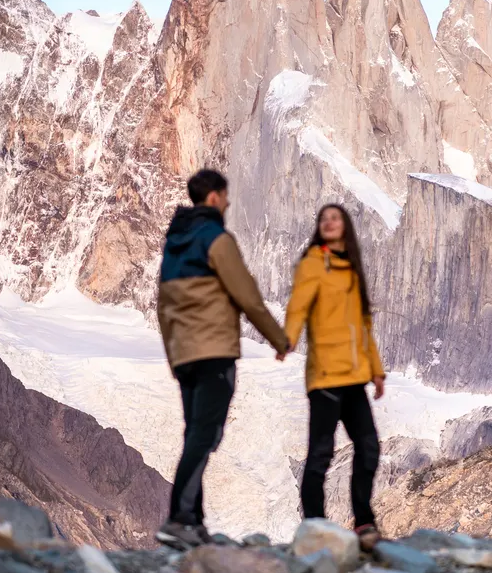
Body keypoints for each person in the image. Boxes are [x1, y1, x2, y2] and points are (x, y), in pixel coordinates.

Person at [156, 168, 289, 549]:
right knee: (205, 434)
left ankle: (193, 523)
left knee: (194, 431)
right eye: (226, 196)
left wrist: (174, 355)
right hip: (214, 351)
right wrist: (278, 339)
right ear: (214, 197)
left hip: (184, 354)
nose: (228, 203)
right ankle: (179, 519)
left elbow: (163, 305)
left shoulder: (174, 244)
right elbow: (247, 297)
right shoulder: (217, 239)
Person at [284, 204, 385, 550]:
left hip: (354, 377)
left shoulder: (351, 271)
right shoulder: (313, 262)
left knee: (369, 446)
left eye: (335, 218)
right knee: (321, 454)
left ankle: (363, 520)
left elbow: (364, 325)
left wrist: (377, 370)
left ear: (345, 228)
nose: (328, 222)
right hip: (325, 374)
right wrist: (287, 338)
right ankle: (314, 524)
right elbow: (298, 305)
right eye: (323, 218)